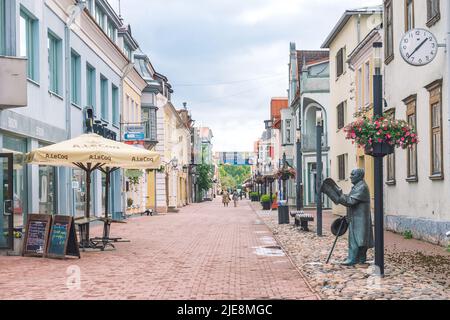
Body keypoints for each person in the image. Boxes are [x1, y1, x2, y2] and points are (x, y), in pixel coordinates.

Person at [337, 169, 374, 266]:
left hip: (359, 219)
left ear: (359, 176)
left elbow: (350, 201)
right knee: (360, 239)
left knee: (356, 239)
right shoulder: (358, 187)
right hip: (356, 218)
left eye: (353, 174)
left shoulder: (361, 187)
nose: (350, 176)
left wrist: (338, 196)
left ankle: (353, 259)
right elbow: (350, 198)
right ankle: (359, 258)